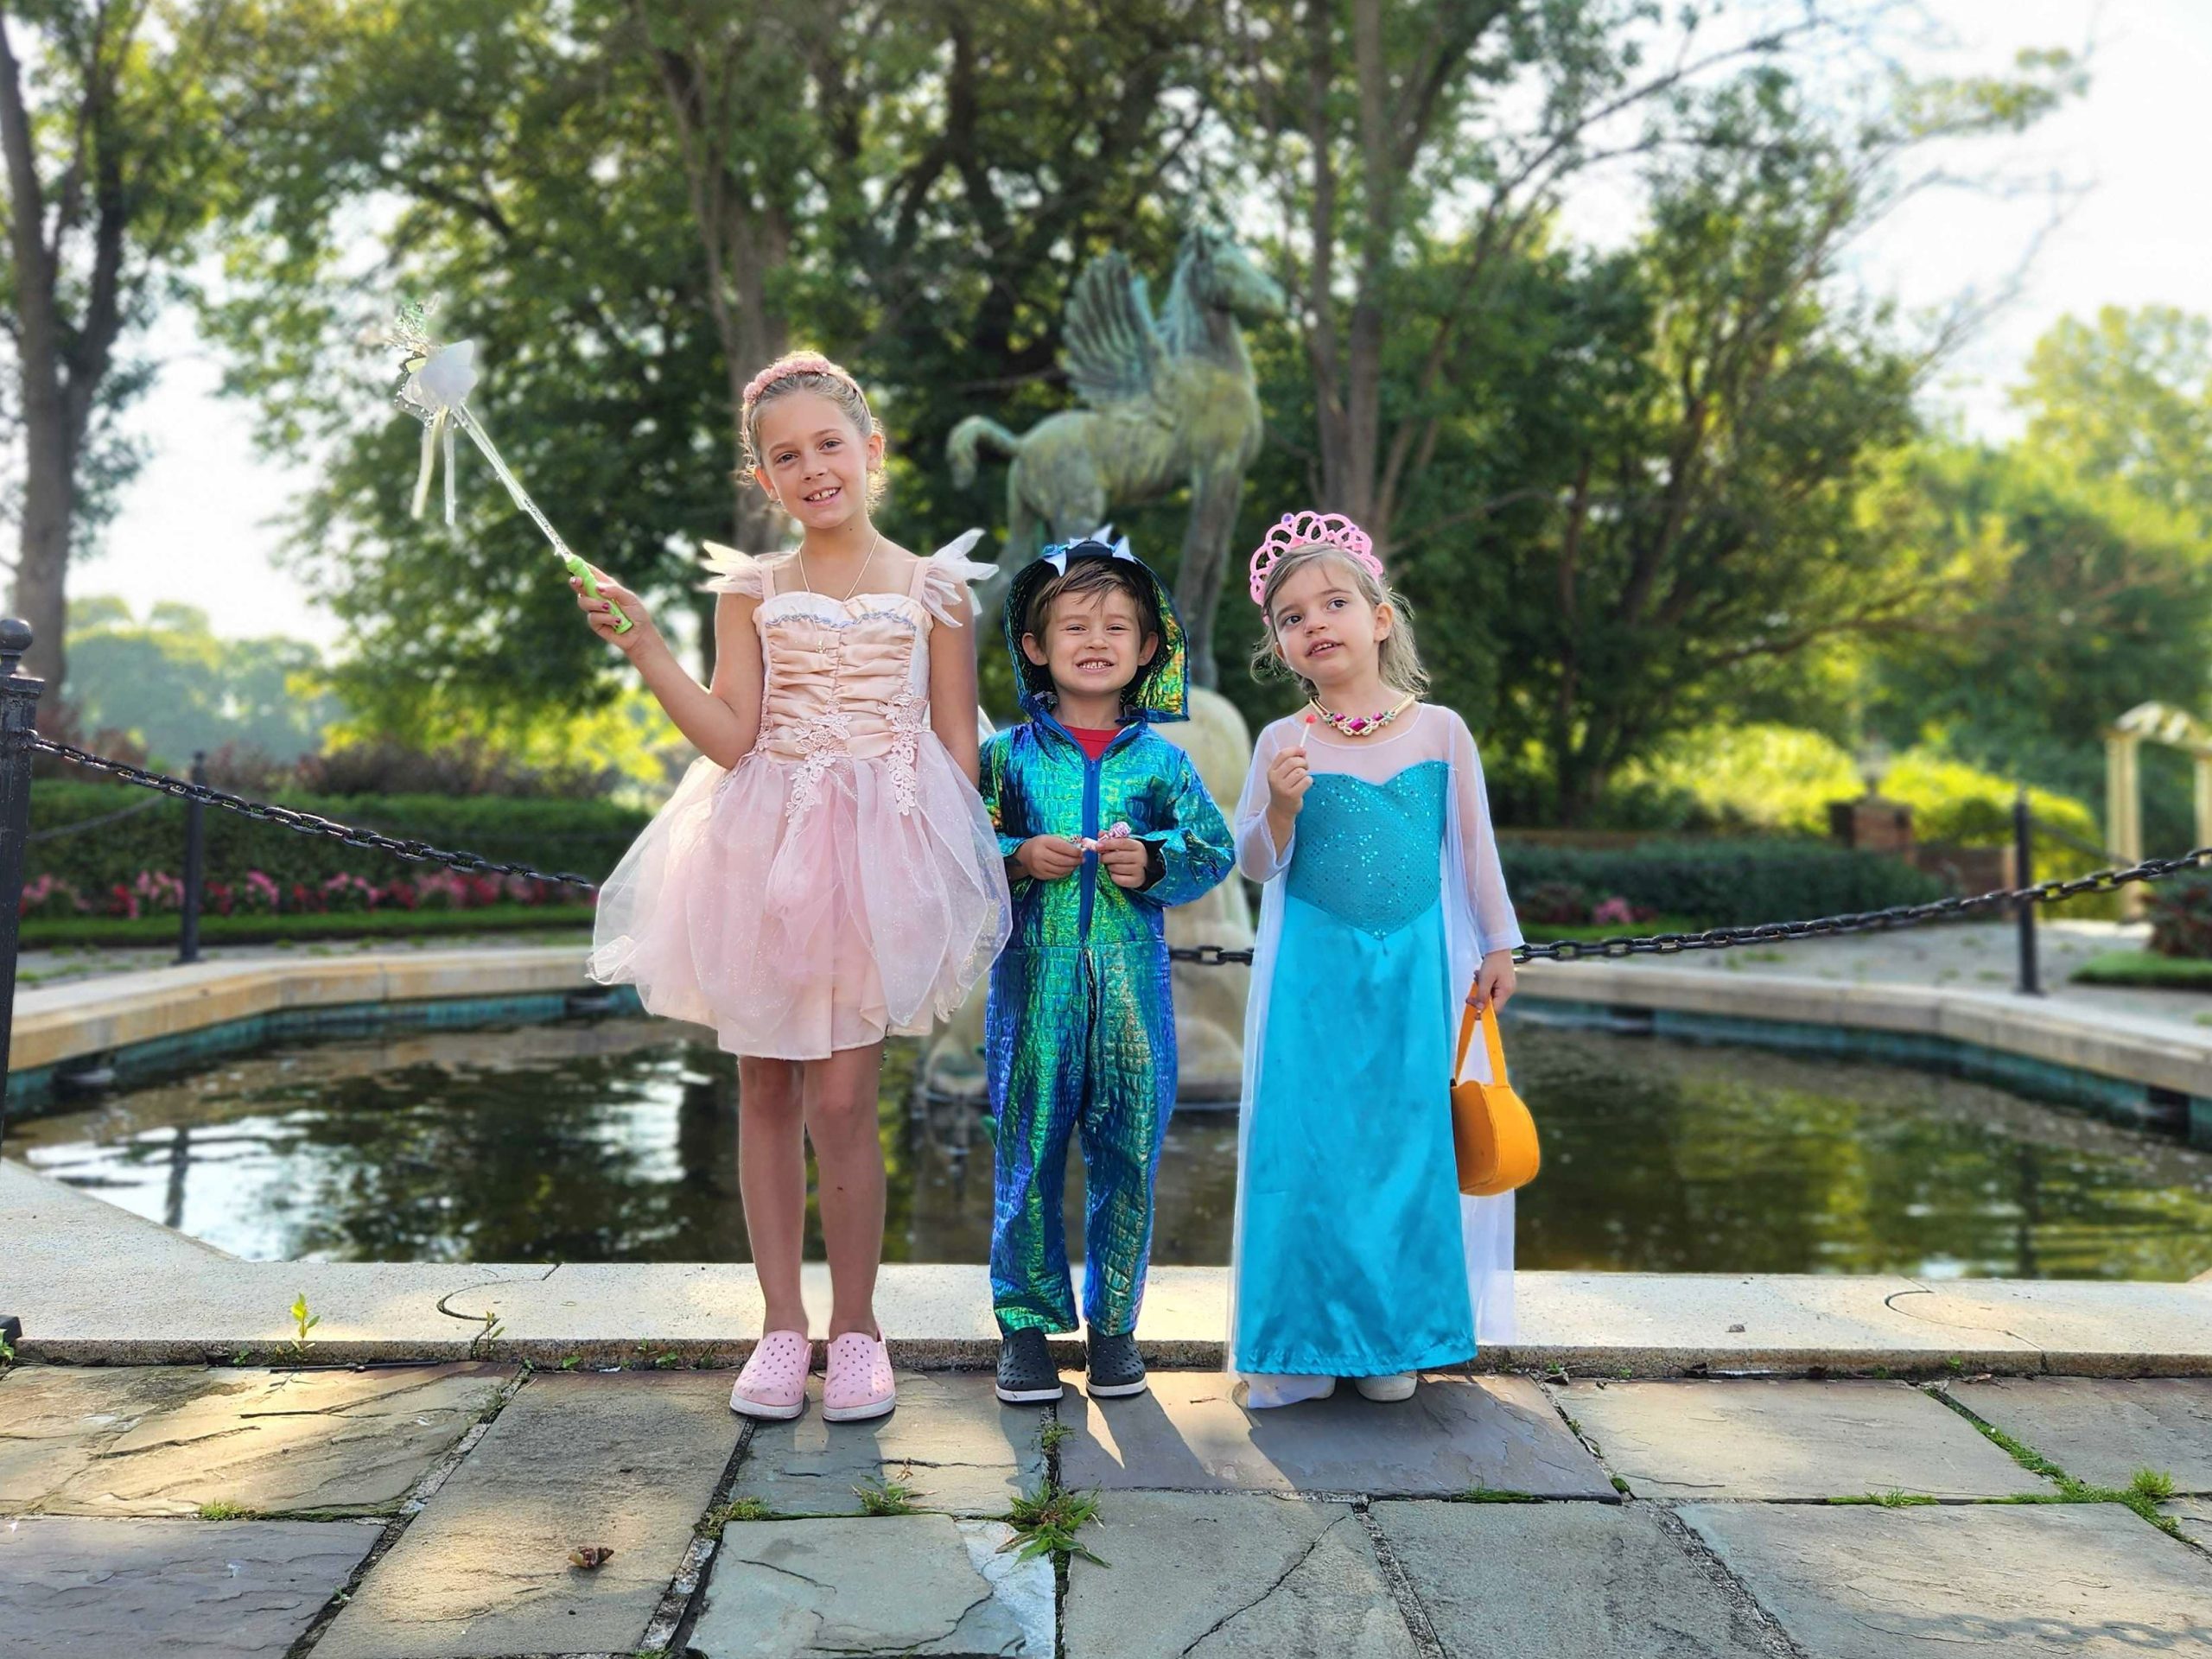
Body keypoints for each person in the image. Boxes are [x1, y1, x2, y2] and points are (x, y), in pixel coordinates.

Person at [575, 351, 1010, 1424]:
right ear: (762, 481)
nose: (812, 468)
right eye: (785, 457)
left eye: (828, 445)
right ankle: (780, 1326)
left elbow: (958, 746)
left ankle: (856, 1330)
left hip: (881, 856)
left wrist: (954, 867)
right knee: (764, 1089)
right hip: (761, 852)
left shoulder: (935, 588)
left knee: (845, 1096)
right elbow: (732, 735)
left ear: (872, 452)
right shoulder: (752, 589)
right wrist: (644, 646)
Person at [1229, 511, 1522, 1408]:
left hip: (1411, 978)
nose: (1314, 623)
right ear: (1279, 647)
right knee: (1309, 1145)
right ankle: (1299, 1348)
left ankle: (1392, 1340)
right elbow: (1253, 865)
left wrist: (1500, 938)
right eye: (1289, 617)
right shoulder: (1284, 742)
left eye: (1333, 603)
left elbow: (1473, 849)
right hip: (1313, 979)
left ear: (1379, 617)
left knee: (1403, 1145)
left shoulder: (1440, 731)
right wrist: (1278, 810)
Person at [980, 533, 1233, 1405]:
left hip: (1134, 999)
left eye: (1117, 625)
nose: (1097, 638)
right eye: (1074, 623)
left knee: (1129, 1153)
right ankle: (1023, 1332)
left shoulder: (1164, 763)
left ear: (1149, 645)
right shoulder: (1006, 758)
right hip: (1032, 991)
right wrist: (1016, 853)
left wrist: (1155, 863)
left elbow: (1213, 846)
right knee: (1027, 1153)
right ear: (1034, 643)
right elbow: (956, 846)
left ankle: (1116, 1329)